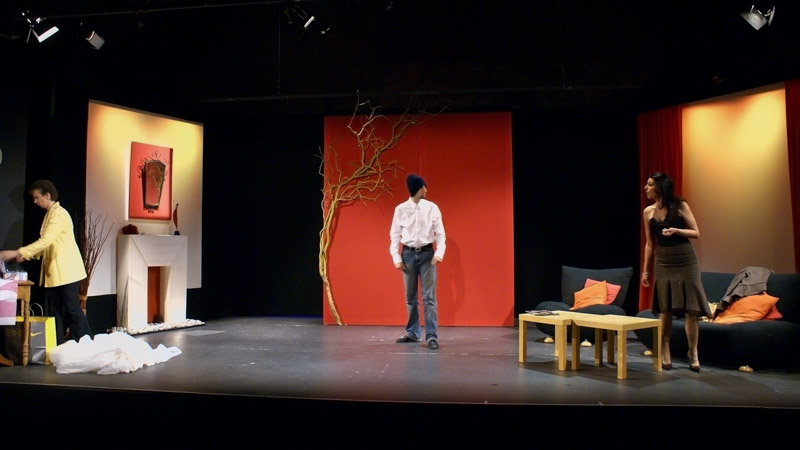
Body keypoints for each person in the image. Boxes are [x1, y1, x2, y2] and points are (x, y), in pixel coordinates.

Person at [0, 180, 91, 345]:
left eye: (37, 197)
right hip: (55, 271)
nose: (35, 201)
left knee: (71, 308)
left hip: (67, 270)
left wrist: (19, 252)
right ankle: (60, 346)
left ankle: (85, 343)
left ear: (47, 195)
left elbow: (46, 240)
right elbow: (48, 245)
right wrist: (28, 255)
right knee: (57, 311)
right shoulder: (49, 215)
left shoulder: (59, 214)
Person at [641, 171, 711, 372]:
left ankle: (693, 352)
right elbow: (649, 244)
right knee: (665, 309)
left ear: (659, 187)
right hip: (664, 261)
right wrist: (646, 271)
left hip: (685, 259)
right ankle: (665, 350)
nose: (646, 188)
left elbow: (695, 232)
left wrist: (676, 231)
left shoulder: (680, 206)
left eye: (650, 184)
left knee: (691, 309)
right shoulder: (648, 212)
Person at [389, 174, 446, 350]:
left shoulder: (432, 208)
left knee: (429, 298)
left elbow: (440, 234)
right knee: (410, 297)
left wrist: (439, 253)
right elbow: (394, 235)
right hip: (408, 254)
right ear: (417, 189)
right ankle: (413, 333)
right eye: (423, 187)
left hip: (427, 254)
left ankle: (431, 336)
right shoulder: (401, 209)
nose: (426, 190)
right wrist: (396, 257)